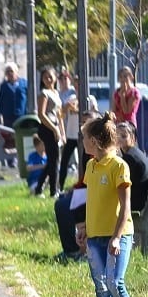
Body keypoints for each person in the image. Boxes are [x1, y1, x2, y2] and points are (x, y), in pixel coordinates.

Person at [75, 113, 141, 297]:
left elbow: (125, 207)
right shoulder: (91, 166)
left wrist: (116, 237)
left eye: (84, 138)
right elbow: (87, 201)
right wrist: (82, 228)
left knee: (115, 282)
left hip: (118, 236)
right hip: (94, 238)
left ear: (95, 141)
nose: (82, 142)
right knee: (101, 288)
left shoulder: (119, 166)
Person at [53, 110, 99, 263]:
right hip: (87, 189)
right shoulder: (86, 143)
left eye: (88, 122)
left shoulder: (100, 145)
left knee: (65, 206)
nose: (84, 126)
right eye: (83, 123)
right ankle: (70, 250)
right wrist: (75, 188)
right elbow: (86, 176)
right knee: (61, 202)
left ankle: (78, 250)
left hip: (98, 192)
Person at [34, 67, 66, 198]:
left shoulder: (56, 93)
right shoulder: (44, 93)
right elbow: (41, 114)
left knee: (53, 160)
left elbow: (60, 115)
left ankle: (40, 188)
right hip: (47, 128)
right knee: (54, 160)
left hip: (56, 127)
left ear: (55, 77)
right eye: (45, 77)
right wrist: (54, 128)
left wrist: (62, 132)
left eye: (50, 76)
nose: (48, 79)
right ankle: (54, 190)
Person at [0, 62, 28, 167]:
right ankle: (11, 160)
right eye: (8, 72)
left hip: (21, 115)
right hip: (8, 116)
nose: (10, 73)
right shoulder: (4, 86)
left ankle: (22, 158)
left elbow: (28, 98)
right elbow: (0, 101)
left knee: (20, 137)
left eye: (11, 71)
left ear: (16, 72)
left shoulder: (24, 83)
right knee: (9, 138)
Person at [117, 121, 148, 214]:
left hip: (135, 207)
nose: (119, 139)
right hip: (139, 202)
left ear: (133, 139)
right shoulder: (136, 152)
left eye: (123, 136)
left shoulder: (130, 157)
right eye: (116, 136)